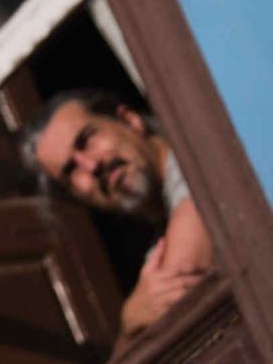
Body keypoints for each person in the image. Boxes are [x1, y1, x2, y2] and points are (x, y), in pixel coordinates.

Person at [22, 88, 213, 340]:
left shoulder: (198, 162)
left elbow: (178, 284)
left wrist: (130, 318)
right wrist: (131, 322)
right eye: (71, 170)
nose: (91, 166)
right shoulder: (162, 235)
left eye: (87, 140)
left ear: (129, 120)